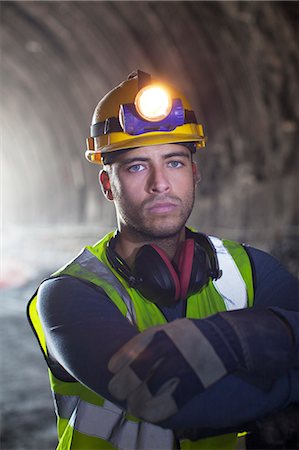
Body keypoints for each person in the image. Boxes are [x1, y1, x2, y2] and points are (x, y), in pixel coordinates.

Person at [27, 70, 299, 450]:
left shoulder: (251, 270)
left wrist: (240, 342)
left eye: (174, 162)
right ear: (108, 185)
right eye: (137, 166)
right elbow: (160, 397)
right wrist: (267, 359)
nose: (160, 183)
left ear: (195, 172)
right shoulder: (70, 294)